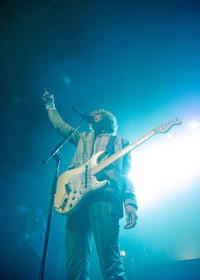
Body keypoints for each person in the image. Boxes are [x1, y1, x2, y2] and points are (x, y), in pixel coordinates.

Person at [42, 89, 138, 280]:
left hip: (105, 198)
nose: (93, 114)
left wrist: (130, 203)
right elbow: (61, 127)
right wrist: (49, 104)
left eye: (98, 113)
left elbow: (126, 175)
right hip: (76, 198)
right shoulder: (84, 137)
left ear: (108, 119)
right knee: (74, 262)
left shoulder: (121, 142)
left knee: (110, 259)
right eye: (92, 113)